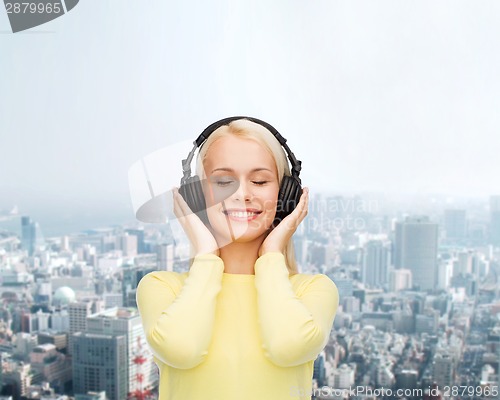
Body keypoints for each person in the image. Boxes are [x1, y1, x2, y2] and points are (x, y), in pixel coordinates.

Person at [136, 117, 339, 400]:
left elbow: (287, 346)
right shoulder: (161, 287)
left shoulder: (313, 290)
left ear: (285, 195)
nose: (242, 194)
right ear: (196, 196)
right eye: (223, 181)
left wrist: (271, 254)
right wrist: (207, 255)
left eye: (259, 180)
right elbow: (182, 349)